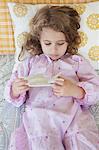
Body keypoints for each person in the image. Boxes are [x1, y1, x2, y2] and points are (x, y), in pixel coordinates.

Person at [4, 5, 99, 150]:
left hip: (73, 118)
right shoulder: (30, 62)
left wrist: (74, 90)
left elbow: (95, 90)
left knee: (82, 140)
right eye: (47, 44)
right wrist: (16, 89)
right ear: (39, 40)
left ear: (68, 41)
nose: (54, 49)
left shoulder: (76, 62)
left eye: (60, 44)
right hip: (40, 119)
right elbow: (11, 91)